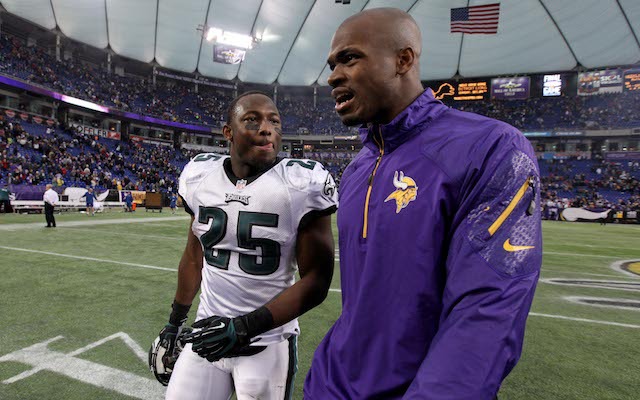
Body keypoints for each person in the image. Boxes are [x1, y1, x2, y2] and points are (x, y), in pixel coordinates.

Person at [305, 8, 542, 400]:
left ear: (403, 59)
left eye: (349, 58)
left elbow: (487, 312)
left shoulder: (491, 148)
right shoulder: (355, 171)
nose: (332, 76)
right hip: (332, 386)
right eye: (331, 64)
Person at [151, 91, 338, 399]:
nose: (267, 129)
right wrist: (175, 322)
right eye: (252, 120)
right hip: (208, 333)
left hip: (267, 342)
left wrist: (243, 328)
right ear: (229, 132)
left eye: (274, 121)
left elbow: (317, 281)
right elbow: (195, 257)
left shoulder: (301, 184)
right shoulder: (200, 176)